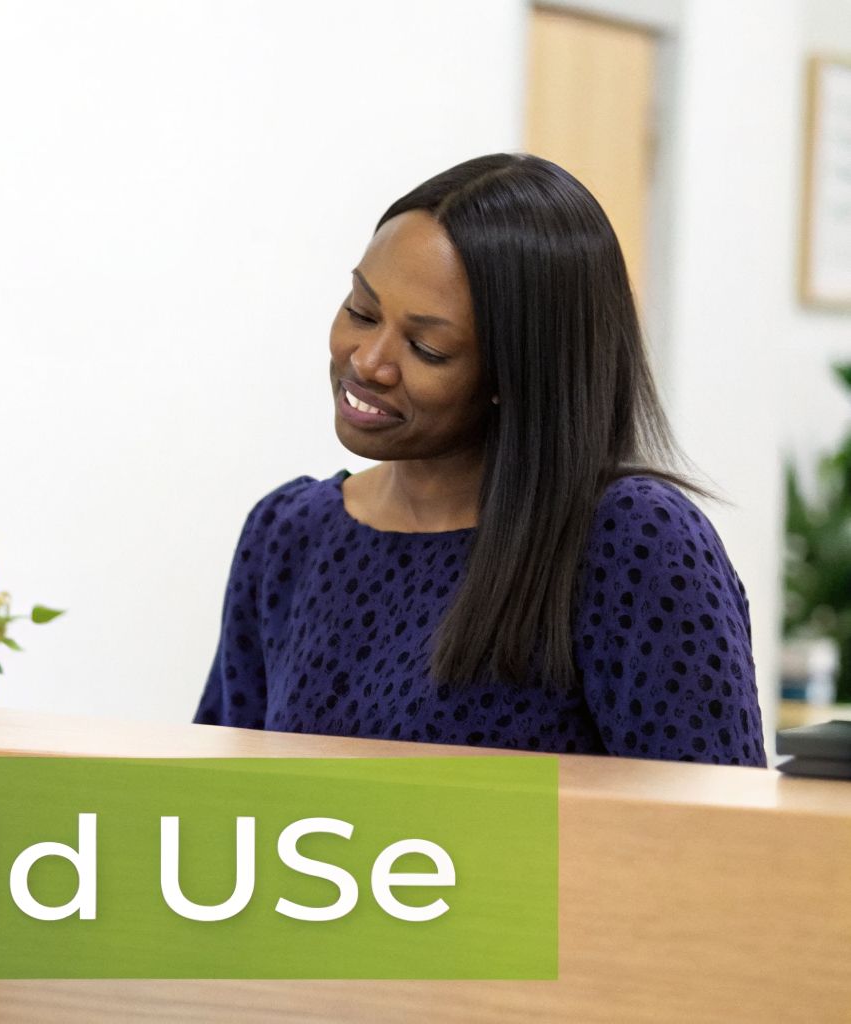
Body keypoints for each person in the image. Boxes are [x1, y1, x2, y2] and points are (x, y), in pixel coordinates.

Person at [195, 153, 766, 767]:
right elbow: (219, 797)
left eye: (427, 347)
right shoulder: (287, 534)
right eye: (361, 311)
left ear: (516, 373)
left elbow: (715, 819)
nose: (367, 361)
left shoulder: (632, 542)